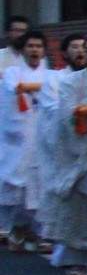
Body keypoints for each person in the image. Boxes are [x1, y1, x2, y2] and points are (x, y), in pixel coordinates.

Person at [44, 33, 87, 275]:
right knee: (80, 210)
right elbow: (67, 116)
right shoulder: (71, 82)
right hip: (81, 153)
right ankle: (79, 260)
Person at [36, 33, 87, 259]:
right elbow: (54, 110)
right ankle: (61, 239)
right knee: (64, 194)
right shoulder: (54, 80)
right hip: (63, 145)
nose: (80, 51)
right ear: (65, 53)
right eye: (74, 47)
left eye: (85, 47)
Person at [0, 30, 51, 251]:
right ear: (23, 49)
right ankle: (16, 228)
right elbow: (13, 91)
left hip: (43, 136)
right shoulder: (12, 73)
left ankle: (42, 232)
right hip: (20, 136)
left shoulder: (51, 75)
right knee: (17, 187)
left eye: (38, 46)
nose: (34, 50)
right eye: (30, 46)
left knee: (42, 183)